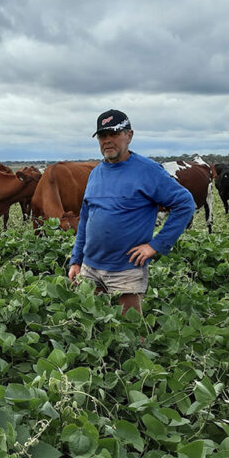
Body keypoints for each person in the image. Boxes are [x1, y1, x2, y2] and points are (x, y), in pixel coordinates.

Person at [68, 109, 195, 315]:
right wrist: (76, 260)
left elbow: (185, 203)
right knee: (91, 328)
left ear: (129, 135)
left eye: (114, 134)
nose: (107, 140)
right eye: (102, 135)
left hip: (126, 269)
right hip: (90, 268)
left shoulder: (148, 170)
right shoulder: (95, 173)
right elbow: (85, 220)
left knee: (130, 332)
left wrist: (156, 245)